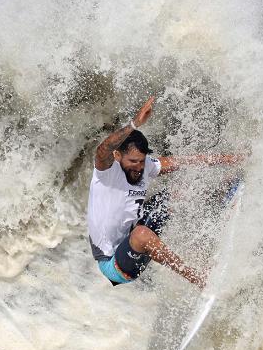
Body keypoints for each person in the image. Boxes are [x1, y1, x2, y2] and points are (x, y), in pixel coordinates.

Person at [87, 96, 243, 288]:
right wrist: (135, 123)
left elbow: (188, 160)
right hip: (114, 264)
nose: (138, 167)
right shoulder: (106, 174)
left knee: (177, 192)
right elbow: (103, 149)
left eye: (141, 161)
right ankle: (199, 279)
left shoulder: (146, 166)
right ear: (118, 156)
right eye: (132, 162)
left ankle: (225, 192)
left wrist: (232, 159)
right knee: (141, 234)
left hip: (134, 241)